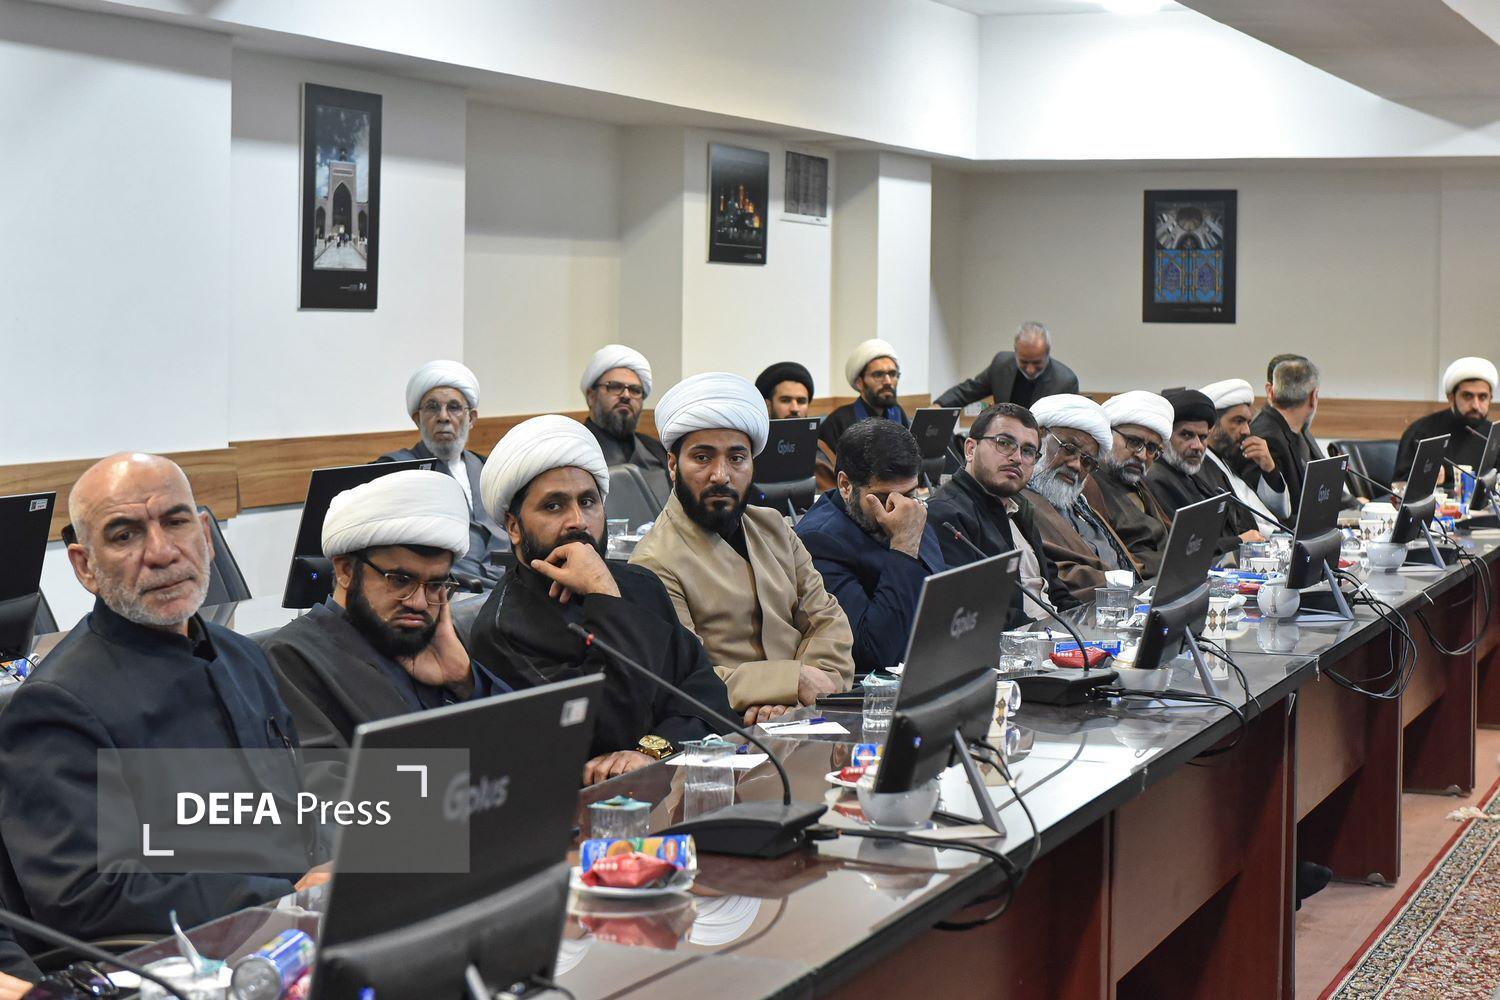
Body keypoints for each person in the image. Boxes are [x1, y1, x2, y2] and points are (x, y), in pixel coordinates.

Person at [0, 454, 328, 943]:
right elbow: (89, 896)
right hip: (194, 953)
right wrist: (281, 900)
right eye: (124, 535)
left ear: (206, 538)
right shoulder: (56, 707)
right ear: (85, 567)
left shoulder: (245, 657)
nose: (161, 552)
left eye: (176, 522)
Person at [468, 415, 733, 784]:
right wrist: (605, 597)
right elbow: (604, 729)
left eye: (588, 501)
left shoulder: (640, 583)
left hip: (675, 779)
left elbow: (709, 698)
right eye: (554, 506)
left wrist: (652, 750)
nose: (578, 521)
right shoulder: (504, 628)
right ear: (514, 527)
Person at [630, 373, 855, 724]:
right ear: (673, 465)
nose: (720, 475)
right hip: (725, 728)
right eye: (702, 458)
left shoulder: (773, 527)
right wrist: (790, 682)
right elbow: (685, 676)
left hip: (809, 711)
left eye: (736, 458)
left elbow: (827, 619)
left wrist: (811, 686)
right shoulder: (653, 561)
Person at [262, 470, 509, 750]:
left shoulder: (437, 644)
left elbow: (528, 746)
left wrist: (465, 681)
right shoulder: (292, 658)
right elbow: (329, 777)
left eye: (435, 585)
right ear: (345, 570)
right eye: (401, 580)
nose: (419, 603)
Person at [794, 420, 944, 676]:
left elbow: (940, 593)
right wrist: (903, 546)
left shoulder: (911, 509)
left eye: (909, 495)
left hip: (934, 658)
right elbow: (872, 651)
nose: (898, 509)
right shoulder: (817, 542)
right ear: (845, 485)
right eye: (884, 498)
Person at [926, 403, 1076, 625]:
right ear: (970, 449)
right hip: (1021, 640)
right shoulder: (946, 514)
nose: (1017, 458)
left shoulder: (1019, 508)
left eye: (1028, 451)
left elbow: (1056, 591)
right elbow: (978, 614)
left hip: (1057, 634)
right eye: (1004, 443)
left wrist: (1085, 625)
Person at [375, 360, 508, 588]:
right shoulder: (398, 469)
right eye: (433, 407)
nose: (443, 417)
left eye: (454, 407)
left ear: (471, 418)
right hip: (443, 590)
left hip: (506, 584)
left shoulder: (488, 468)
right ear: (417, 418)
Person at [1022, 394, 1134, 602]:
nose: (1076, 465)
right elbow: (1059, 575)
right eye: (1069, 449)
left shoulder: (1079, 503)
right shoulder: (1019, 501)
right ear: (1039, 437)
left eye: (1087, 461)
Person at [1146, 389, 1262, 557]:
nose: (1197, 446)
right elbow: (1185, 548)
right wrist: (1239, 541)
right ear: (1165, 438)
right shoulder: (1157, 479)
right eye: (1187, 435)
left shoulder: (1193, 473)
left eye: (1202, 437)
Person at [1088, 391, 1176, 579]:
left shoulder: (1138, 484)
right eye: (1134, 441)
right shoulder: (1088, 484)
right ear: (1107, 434)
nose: (1142, 455)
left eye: (1151, 448)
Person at [580, 343, 670, 502]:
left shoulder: (658, 450)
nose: (626, 396)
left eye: (635, 390)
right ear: (591, 396)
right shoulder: (574, 451)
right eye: (614, 387)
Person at [1201, 378, 1292, 533]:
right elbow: (1234, 525)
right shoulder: (1201, 469)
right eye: (1238, 421)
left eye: (1247, 422)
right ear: (1212, 424)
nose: (1247, 431)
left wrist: (1270, 470)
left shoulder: (1227, 459)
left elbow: (1279, 512)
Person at [1233, 357, 1322, 515]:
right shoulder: (1265, 439)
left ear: (1272, 392)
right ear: (1313, 398)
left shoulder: (1301, 431)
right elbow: (1267, 512)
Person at [935, 321, 1080, 410]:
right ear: (1015, 352)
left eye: (1037, 363)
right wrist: (939, 405)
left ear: (1047, 354)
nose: (1030, 369)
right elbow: (969, 390)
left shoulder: (1066, 382)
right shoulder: (1001, 364)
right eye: (1024, 362)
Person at [1395, 356, 1496, 482]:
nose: (1475, 405)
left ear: (1490, 399)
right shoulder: (1421, 432)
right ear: (1451, 398)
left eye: (1482, 397)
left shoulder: (1494, 435)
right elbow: (1400, 484)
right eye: (1467, 396)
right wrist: (1427, 478)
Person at [818, 339, 909, 454]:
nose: (888, 381)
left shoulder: (897, 413)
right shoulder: (838, 421)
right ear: (859, 383)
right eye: (878, 374)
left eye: (892, 374)